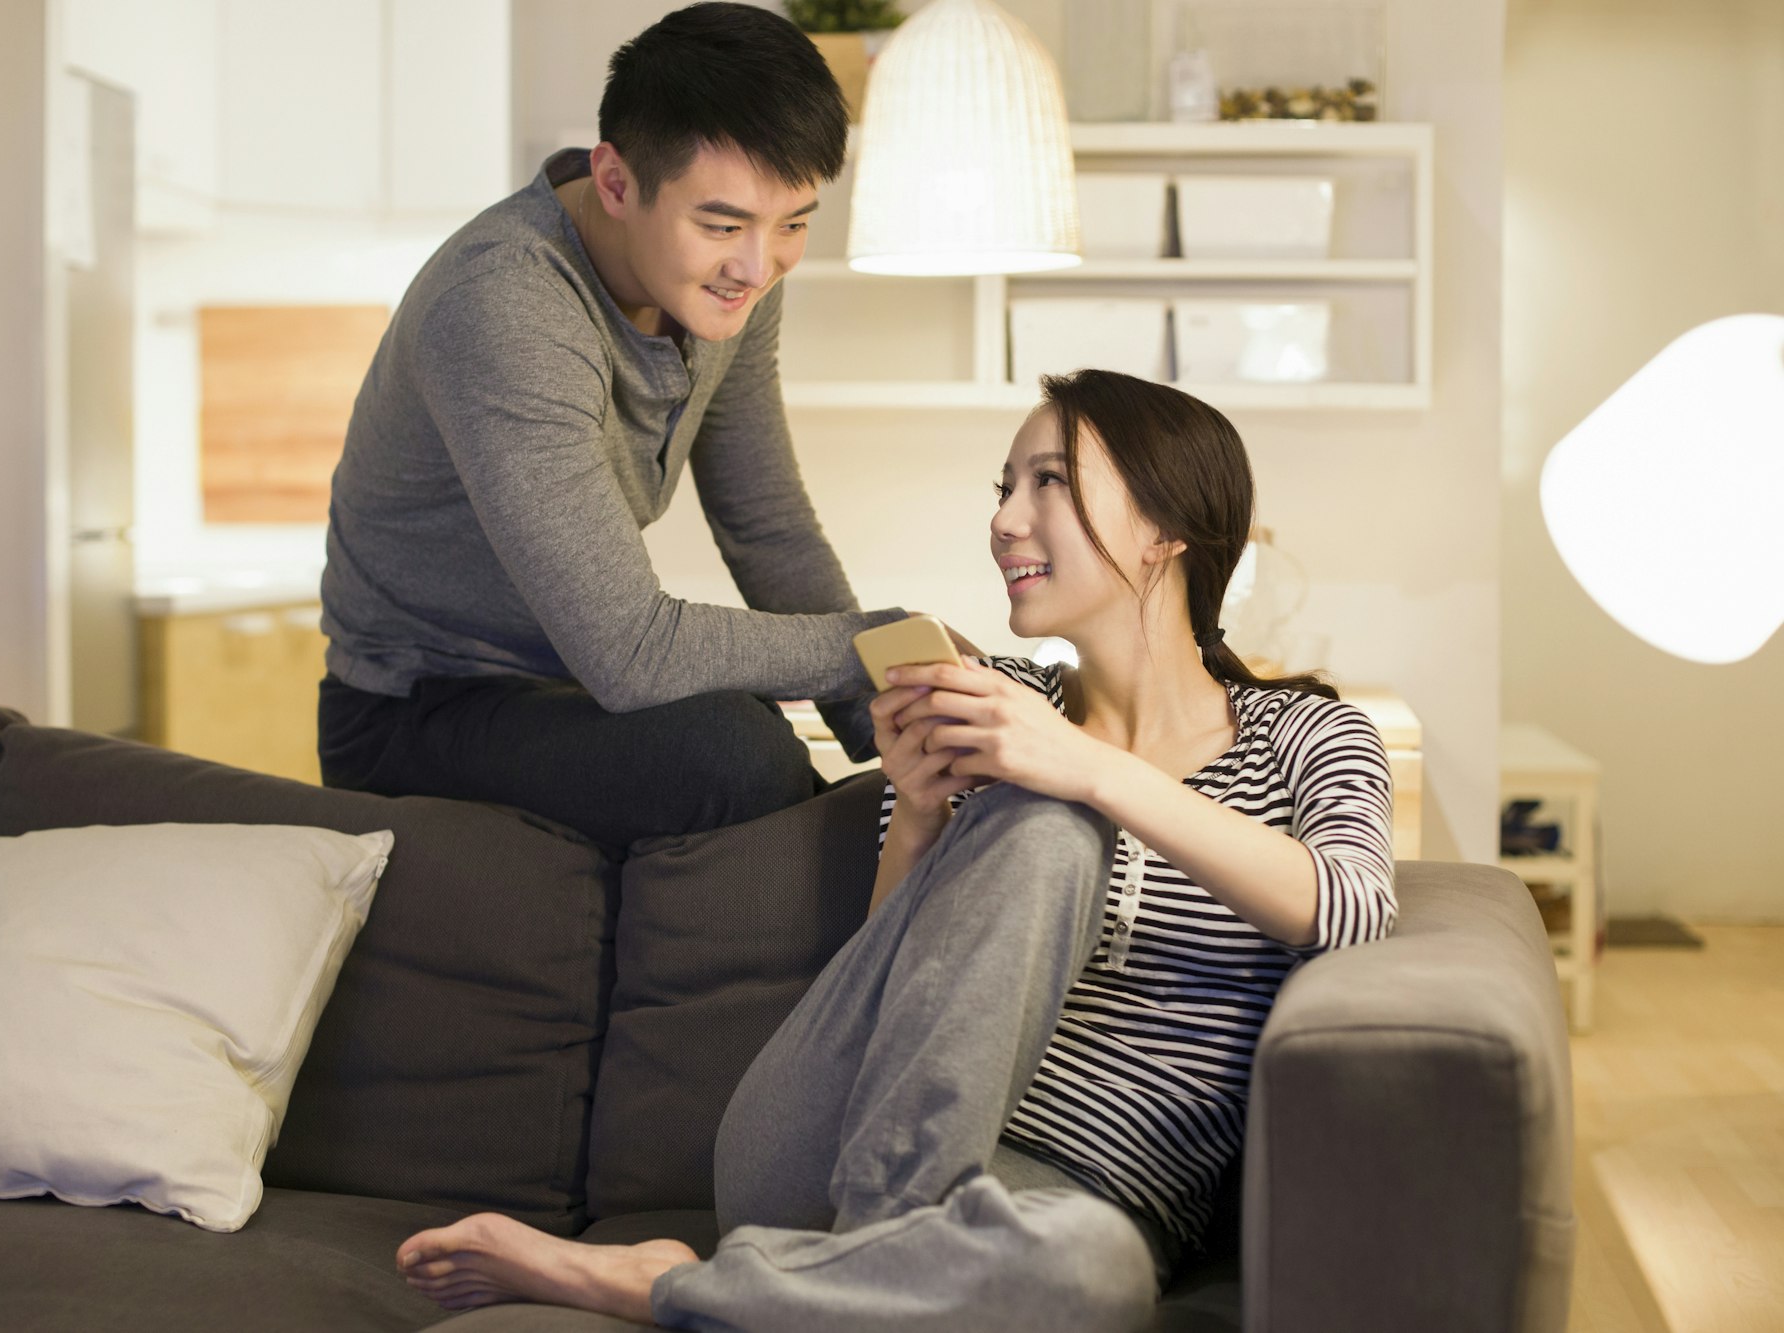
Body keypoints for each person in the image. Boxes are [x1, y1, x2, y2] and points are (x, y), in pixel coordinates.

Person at [388, 370, 1399, 1331]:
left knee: (1086, 1281)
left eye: (1047, 482)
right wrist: (915, 813)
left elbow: (1346, 907)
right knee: (1044, 824)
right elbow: (894, 983)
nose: (1004, 519)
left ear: (1166, 528)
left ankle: (704, 1287)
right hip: (830, 1144)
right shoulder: (993, 702)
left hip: (1072, 1197)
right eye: (1004, 488)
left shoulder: (1301, 735)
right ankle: (886, 1242)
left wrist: (1090, 769)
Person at [317, 3, 917, 849]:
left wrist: (888, 717)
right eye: (721, 224)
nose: (757, 265)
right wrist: (872, 641)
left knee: (750, 712)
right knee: (730, 750)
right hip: (416, 707)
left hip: (568, 686)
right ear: (614, 183)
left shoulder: (728, 285)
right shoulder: (504, 307)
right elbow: (631, 650)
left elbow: (766, 523)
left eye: (794, 223)